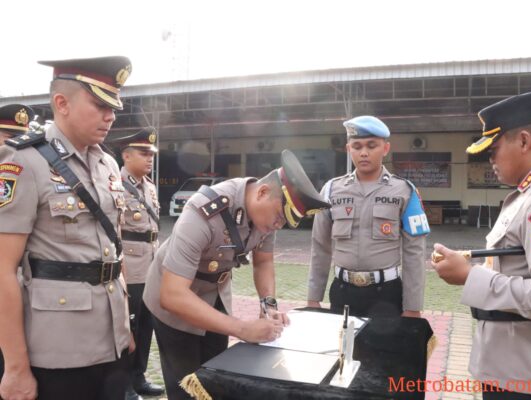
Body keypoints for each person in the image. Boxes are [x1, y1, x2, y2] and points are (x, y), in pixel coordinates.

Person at [432, 91, 531, 399]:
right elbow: (518, 269)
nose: (489, 159)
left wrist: (470, 276)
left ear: (523, 141)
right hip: (519, 370)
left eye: (493, 150)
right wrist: (473, 269)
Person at [142, 149, 331, 400]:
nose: (278, 226)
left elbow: (263, 262)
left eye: (284, 222)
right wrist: (242, 329)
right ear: (262, 192)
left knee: (218, 379)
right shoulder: (202, 212)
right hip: (175, 301)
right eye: (278, 217)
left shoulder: (266, 215)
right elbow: (173, 295)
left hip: (215, 294)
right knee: (188, 388)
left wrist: (268, 305)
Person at [0, 56, 133, 400]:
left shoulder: (108, 165)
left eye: (114, 106)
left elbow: (114, 250)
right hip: (59, 349)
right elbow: (2, 269)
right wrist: (15, 367)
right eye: (100, 104)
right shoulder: (24, 162)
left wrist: (126, 327)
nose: (111, 115)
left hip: (113, 341)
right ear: (62, 103)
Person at [307, 115, 430, 318]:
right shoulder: (331, 190)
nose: (364, 153)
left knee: (386, 351)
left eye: (371, 146)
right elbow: (319, 247)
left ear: (385, 148)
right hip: (342, 292)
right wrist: (313, 297)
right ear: (348, 149)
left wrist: (413, 307)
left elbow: (414, 253)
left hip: (386, 294)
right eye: (357, 146)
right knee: (342, 349)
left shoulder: (405, 191)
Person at [111, 127, 164, 399]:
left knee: (146, 326)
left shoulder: (150, 187)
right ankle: (125, 384)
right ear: (126, 155)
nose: (149, 159)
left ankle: (139, 377)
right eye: (143, 153)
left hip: (151, 264)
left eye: (151, 154)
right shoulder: (115, 184)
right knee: (127, 328)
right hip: (129, 266)